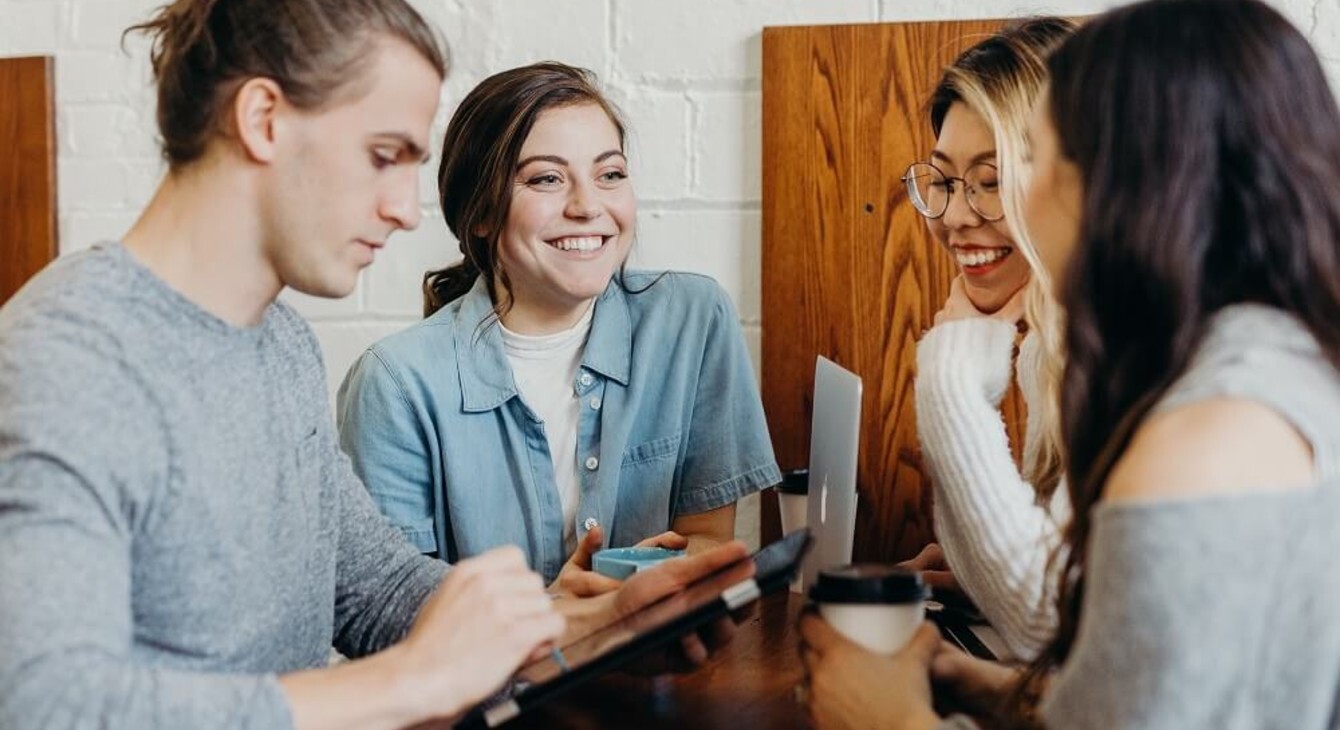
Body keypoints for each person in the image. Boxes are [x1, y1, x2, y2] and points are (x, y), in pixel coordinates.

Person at [0, 3, 747, 728]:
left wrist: (589, 631)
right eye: (383, 156)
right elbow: (45, 705)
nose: (405, 210)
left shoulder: (279, 344)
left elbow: (377, 593)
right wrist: (407, 683)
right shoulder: (65, 361)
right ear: (263, 120)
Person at [800, 0, 1340, 727]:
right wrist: (1005, 694)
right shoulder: (1261, 367)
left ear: (1129, 182)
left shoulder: (1204, 438)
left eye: (1038, 157)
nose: (1018, 195)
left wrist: (890, 719)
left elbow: (1058, 628)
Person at [337, 62, 781, 594]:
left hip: (658, 667)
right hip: (494, 678)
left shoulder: (691, 320)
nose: (588, 206)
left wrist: (656, 575)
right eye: (546, 178)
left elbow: (709, 539)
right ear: (479, 213)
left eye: (609, 174)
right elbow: (394, 613)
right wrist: (559, 615)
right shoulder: (394, 384)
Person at [902, 17, 1075, 659]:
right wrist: (976, 571)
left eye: (992, 179)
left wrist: (950, 377)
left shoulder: (1127, 351)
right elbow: (1064, 601)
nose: (953, 215)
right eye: (944, 181)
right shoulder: (1050, 346)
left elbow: (1047, 626)